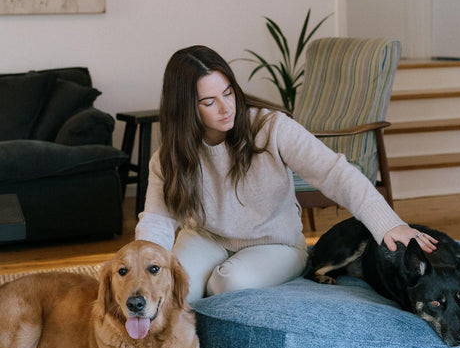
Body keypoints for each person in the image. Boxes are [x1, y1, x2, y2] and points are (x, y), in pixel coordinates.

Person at [135, 45, 437, 302]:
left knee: (226, 284)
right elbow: (158, 221)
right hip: (206, 238)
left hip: (276, 244)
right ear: (186, 108)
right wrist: (142, 270)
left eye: (229, 93)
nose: (226, 108)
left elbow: (336, 173)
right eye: (209, 102)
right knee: (168, 291)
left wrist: (389, 225)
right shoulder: (169, 156)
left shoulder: (271, 127)